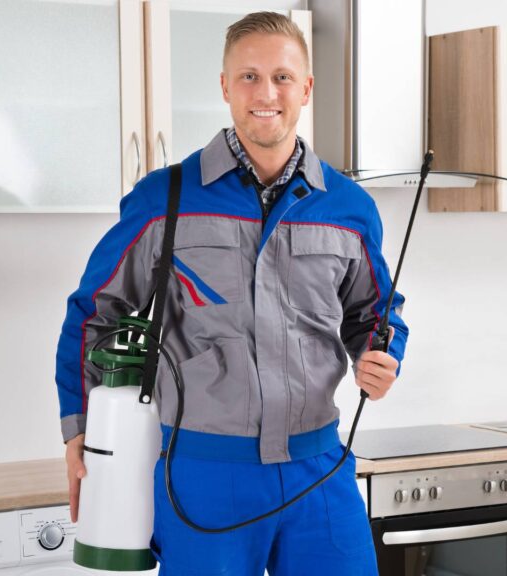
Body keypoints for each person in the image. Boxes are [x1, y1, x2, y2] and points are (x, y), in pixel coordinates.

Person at [54, 11, 408, 575]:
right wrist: (80, 429)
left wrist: (381, 355)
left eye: (282, 77)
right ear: (224, 87)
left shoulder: (348, 206)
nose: (265, 93)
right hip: (202, 473)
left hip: (317, 471)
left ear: (306, 88)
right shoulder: (164, 199)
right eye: (248, 76)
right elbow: (93, 315)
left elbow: (375, 313)